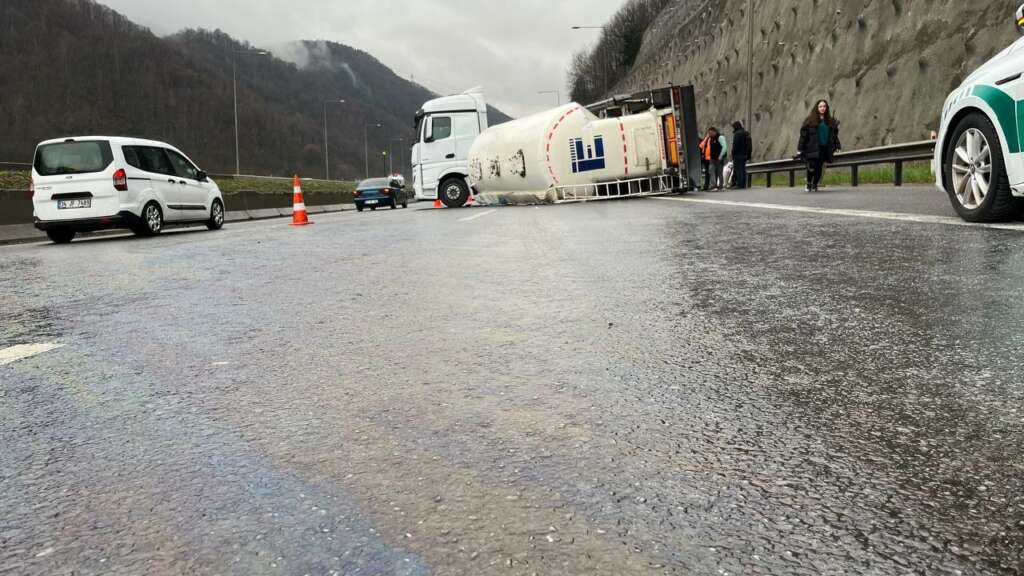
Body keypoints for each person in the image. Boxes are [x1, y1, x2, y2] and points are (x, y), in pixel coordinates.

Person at [797, 100, 841, 192]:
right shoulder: (810, 120)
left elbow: (834, 135)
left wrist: (837, 146)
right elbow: (803, 136)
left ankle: (815, 184)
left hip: (824, 147)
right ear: (817, 108)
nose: (822, 108)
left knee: (819, 167)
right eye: (820, 106)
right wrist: (800, 149)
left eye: (824, 106)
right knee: (811, 166)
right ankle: (809, 183)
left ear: (826, 108)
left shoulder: (830, 121)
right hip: (812, 147)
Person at [731, 121, 752, 189]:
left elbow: (735, 145)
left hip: (738, 155)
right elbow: (750, 145)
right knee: (743, 169)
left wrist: (733, 153)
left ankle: (739, 184)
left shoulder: (737, 134)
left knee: (738, 170)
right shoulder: (747, 133)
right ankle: (743, 184)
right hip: (745, 154)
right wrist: (749, 154)